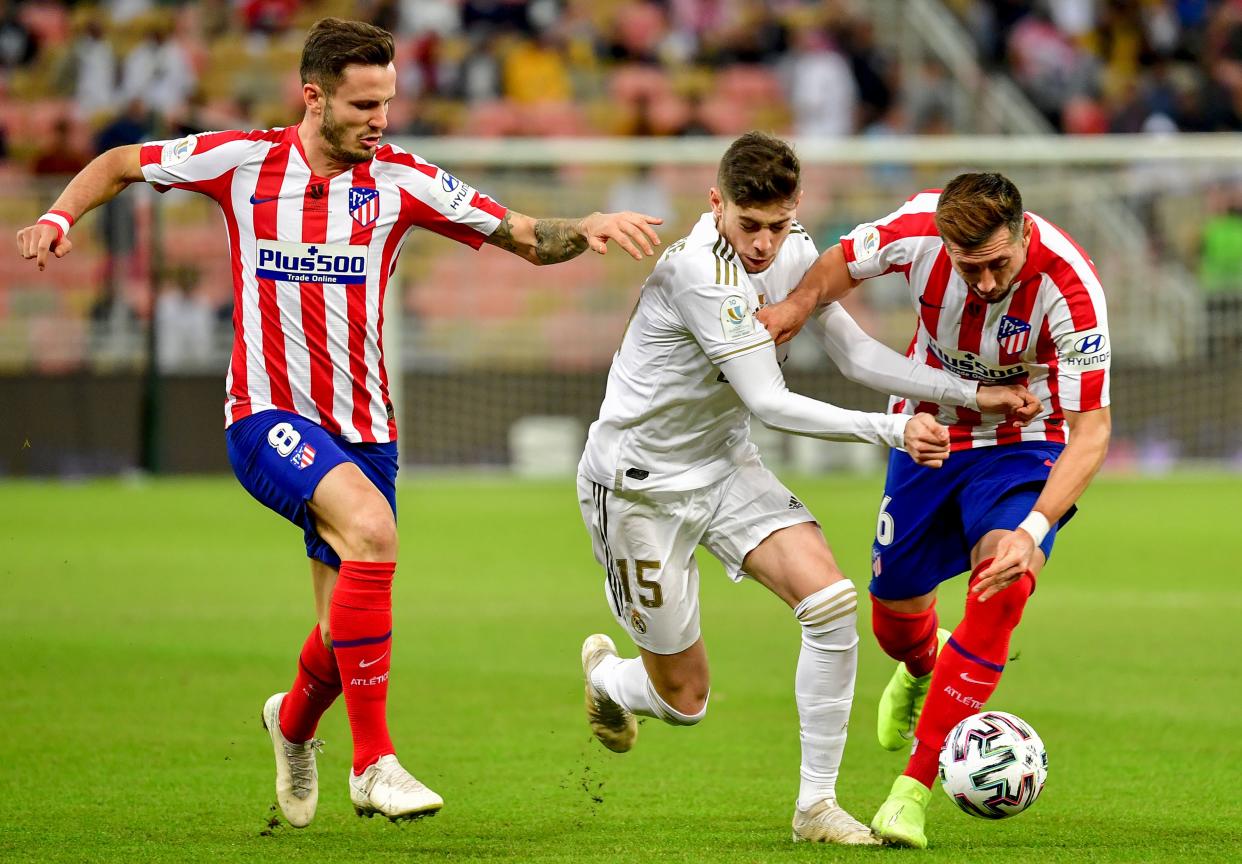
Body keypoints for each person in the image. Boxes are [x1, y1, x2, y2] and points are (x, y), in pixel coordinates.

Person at [16, 17, 662, 828]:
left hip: (367, 429)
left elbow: (525, 237)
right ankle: (372, 763)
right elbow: (119, 163)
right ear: (313, 97)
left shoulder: (401, 180)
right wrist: (59, 218)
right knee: (374, 536)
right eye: (363, 104)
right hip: (266, 413)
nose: (380, 119)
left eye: (388, 101)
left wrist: (586, 229)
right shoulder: (242, 161)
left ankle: (291, 725)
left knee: (342, 621)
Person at [576, 134, 1039, 845]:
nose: (764, 244)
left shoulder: (795, 251)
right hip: (639, 488)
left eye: (778, 224)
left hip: (726, 468)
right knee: (686, 700)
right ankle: (610, 680)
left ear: (795, 211)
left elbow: (852, 351)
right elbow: (769, 401)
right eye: (748, 224)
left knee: (829, 602)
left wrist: (968, 393)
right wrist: (891, 430)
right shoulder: (701, 272)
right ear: (716, 205)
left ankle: (815, 807)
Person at [757, 172, 1111, 848]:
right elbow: (837, 265)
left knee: (1003, 581)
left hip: (1024, 441)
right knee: (892, 620)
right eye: (967, 267)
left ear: (1023, 233)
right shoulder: (918, 227)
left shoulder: (1070, 288)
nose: (981, 283)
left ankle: (910, 792)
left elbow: (1092, 429)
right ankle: (925, 667)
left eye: (996, 265)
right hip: (927, 432)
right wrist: (800, 305)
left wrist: (1035, 530)